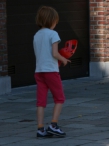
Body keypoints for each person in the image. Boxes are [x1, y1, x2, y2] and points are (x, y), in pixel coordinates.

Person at [33, 6, 70, 138]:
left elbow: (43, 54)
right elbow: (54, 53)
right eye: (56, 21)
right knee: (59, 98)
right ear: (51, 20)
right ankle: (53, 125)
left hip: (39, 72)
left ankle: (40, 128)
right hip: (51, 71)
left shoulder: (37, 35)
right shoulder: (53, 34)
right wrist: (64, 59)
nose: (56, 23)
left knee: (41, 101)